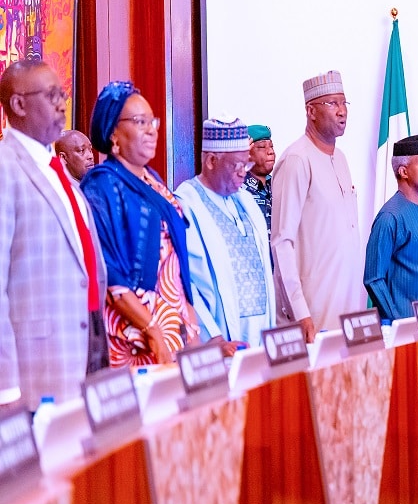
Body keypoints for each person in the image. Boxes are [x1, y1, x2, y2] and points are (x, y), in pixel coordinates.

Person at [0, 60, 108, 412]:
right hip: (37, 368)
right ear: (18, 104)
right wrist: (5, 386)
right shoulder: (5, 168)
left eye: (62, 94)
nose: (63, 103)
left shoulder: (59, 172)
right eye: (51, 95)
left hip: (88, 342)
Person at [81, 80, 204, 367]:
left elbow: (174, 262)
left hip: (172, 325)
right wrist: (152, 331)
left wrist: (191, 322)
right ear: (113, 132)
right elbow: (109, 273)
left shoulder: (153, 180)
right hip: (135, 334)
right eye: (140, 122)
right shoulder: (102, 186)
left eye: (153, 121)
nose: (151, 130)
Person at [271, 70, 361, 343]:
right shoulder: (297, 160)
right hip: (313, 313)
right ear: (311, 111)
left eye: (344, 103)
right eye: (332, 103)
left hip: (348, 308)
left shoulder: (342, 159)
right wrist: (301, 313)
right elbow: (281, 242)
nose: (342, 111)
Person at [175, 115, 276, 347]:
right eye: (237, 165)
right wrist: (213, 338)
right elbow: (184, 281)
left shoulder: (246, 201)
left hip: (261, 336)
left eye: (247, 164)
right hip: (220, 340)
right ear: (211, 160)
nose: (244, 172)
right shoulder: (187, 203)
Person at [364, 134, 418, 321]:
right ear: (404, 172)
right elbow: (373, 278)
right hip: (403, 328)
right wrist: (398, 320)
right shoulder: (390, 217)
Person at [244, 124, 275, 231]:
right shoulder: (236, 189)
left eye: (271, 146)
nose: (270, 151)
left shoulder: (278, 184)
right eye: (262, 147)